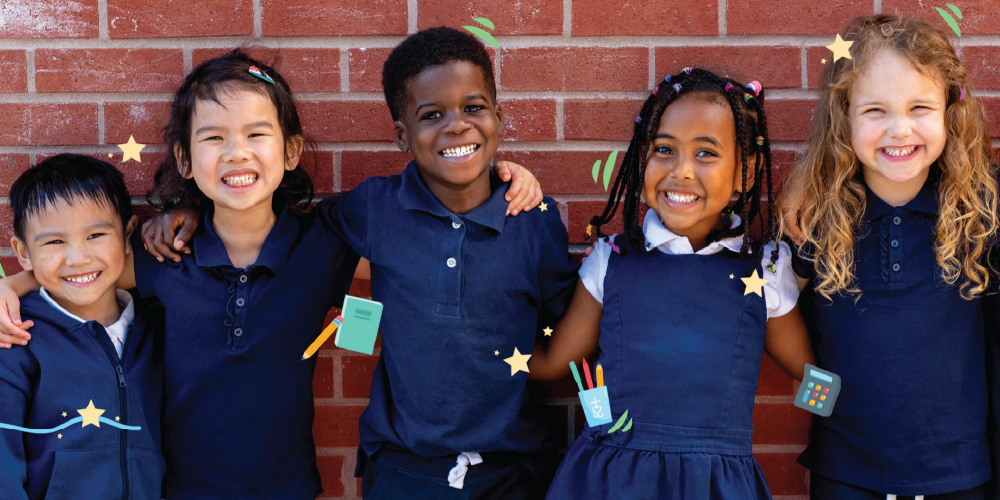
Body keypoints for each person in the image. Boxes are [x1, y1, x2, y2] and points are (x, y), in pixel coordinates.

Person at [530, 68, 814, 499]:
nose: (681, 171)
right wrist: (476, 343)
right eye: (664, 149)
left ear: (746, 171)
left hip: (714, 486)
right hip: (612, 480)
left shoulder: (767, 268)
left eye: (706, 153)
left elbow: (810, 374)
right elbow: (553, 362)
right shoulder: (612, 259)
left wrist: (860, 414)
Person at [779, 15, 998, 499]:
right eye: (875, 110)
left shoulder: (980, 209)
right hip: (845, 473)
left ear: (949, 111)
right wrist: (821, 393)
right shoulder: (816, 215)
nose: (900, 129)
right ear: (844, 117)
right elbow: (771, 313)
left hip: (959, 475)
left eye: (920, 106)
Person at [0, 154, 164, 500]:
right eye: (54, 242)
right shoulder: (15, 337)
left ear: (128, 234)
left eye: (96, 234)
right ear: (23, 252)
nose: (78, 258)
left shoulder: (159, 330)